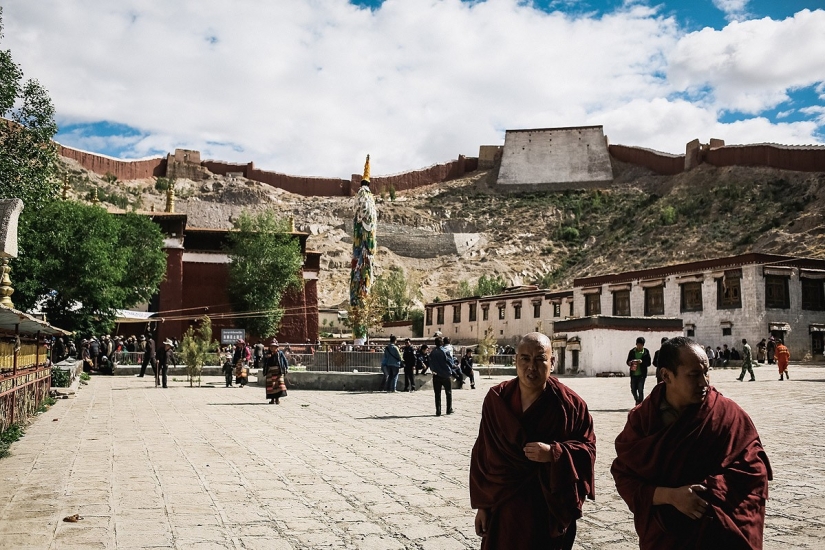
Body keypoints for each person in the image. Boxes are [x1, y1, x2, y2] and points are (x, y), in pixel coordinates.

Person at [611, 337, 772, 549]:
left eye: (706, 372)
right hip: (665, 535)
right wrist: (672, 497)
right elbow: (625, 476)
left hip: (715, 534)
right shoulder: (643, 419)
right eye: (694, 375)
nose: (704, 382)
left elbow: (754, 470)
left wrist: (707, 492)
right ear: (666, 375)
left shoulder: (726, 414)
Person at [470, 332, 596, 550]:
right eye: (525, 359)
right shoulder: (497, 400)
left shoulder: (572, 405)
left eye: (540, 359)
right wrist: (483, 506)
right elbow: (484, 453)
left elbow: (588, 450)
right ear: (516, 360)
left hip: (547, 508)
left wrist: (554, 453)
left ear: (552, 362)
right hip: (504, 507)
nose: (532, 367)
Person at [429, 336, 457, 416]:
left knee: (437, 394)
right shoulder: (445, 351)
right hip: (445, 375)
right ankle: (449, 409)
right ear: (442, 343)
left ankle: (438, 410)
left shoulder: (432, 352)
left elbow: (430, 363)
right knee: (448, 392)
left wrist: (433, 370)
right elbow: (450, 362)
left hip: (436, 375)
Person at [626, 337, 651, 405]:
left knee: (640, 389)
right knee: (633, 389)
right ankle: (637, 399)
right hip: (634, 373)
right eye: (638, 344)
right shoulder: (632, 352)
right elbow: (627, 361)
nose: (639, 346)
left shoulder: (646, 352)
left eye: (641, 345)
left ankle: (640, 403)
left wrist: (642, 362)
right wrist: (630, 362)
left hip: (642, 374)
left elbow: (648, 363)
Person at [265, 339, 288, 404]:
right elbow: (264, 362)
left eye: (274, 346)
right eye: (271, 346)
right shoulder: (267, 353)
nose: (272, 348)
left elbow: (285, 360)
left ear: (276, 347)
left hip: (278, 371)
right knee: (271, 386)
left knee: (278, 386)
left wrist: (286, 368)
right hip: (270, 371)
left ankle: (277, 399)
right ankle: (272, 399)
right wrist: (266, 357)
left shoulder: (280, 353)